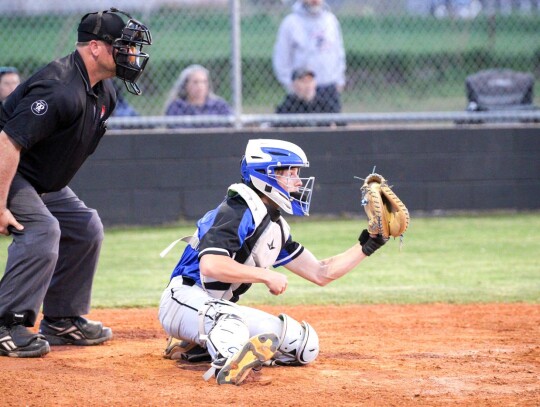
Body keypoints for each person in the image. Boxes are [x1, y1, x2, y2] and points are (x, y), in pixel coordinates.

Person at [158, 139, 387, 385]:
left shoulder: (273, 225)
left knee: (302, 344)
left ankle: (198, 344)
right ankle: (226, 361)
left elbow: (321, 273)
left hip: (215, 308)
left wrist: (371, 242)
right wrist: (267, 275)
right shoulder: (236, 210)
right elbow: (211, 265)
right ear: (266, 175)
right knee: (229, 321)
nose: (299, 182)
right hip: (182, 299)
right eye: (291, 173)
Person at [0, 8, 152, 358]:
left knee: (85, 226)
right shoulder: (60, 88)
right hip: (7, 164)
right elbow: (8, 141)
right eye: (124, 46)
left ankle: (62, 320)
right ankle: (5, 325)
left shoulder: (105, 93)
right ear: (96, 48)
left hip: (33, 176)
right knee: (43, 229)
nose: (132, 54)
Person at [272, 0, 346, 112]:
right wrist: (291, 85)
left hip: (328, 88)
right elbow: (281, 59)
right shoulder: (291, 23)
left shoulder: (330, 21)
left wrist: (339, 80)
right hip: (302, 92)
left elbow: (339, 53)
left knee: (332, 126)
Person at [163, 64, 232, 128]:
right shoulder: (177, 106)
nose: (200, 86)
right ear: (185, 85)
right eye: (195, 82)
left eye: (204, 82)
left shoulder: (218, 105)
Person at [275, 67, 341, 126]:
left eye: (310, 81)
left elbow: (341, 124)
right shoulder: (288, 106)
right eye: (303, 81)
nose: (308, 85)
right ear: (294, 85)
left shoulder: (324, 104)